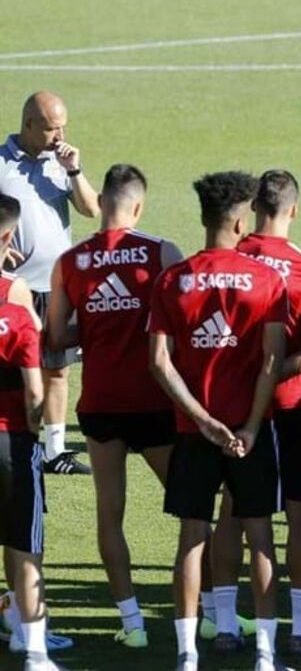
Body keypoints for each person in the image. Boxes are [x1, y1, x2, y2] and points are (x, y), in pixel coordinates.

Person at [147, 172, 287, 671]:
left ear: (204, 218)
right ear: (241, 221)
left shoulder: (172, 281)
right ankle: (266, 656)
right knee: (261, 537)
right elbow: (273, 360)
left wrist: (202, 419)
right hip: (251, 433)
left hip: (194, 433)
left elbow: (159, 362)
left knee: (192, 537)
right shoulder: (266, 280)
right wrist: (250, 425)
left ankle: (187, 655)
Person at [45, 164, 183, 649]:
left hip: (100, 405)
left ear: (101, 202)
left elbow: (56, 337)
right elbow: (185, 324)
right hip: (155, 402)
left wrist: (94, 327)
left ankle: (133, 624)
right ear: (137, 206)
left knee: (110, 514)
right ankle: (208, 614)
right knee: (191, 510)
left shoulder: (70, 262)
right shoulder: (162, 252)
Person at [236, 170, 301, 654]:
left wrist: (252, 376)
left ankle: (224, 624)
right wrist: (275, 373)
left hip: (237, 408)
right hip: (297, 405)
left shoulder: (231, 260)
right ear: (294, 209)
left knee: (236, 514)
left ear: (253, 207)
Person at [0, 91, 100, 476]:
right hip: (16, 289)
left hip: (58, 287)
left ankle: (55, 452)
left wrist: (73, 170)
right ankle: (20, 441)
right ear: (28, 125)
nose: (60, 136)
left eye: (63, 127)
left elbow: (91, 208)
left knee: (58, 369)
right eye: (51, 128)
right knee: (16, 370)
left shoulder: (61, 162)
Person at [0, 195, 54, 671]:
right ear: (8, 237)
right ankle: (33, 648)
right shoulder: (15, 307)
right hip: (12, 440)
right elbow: (36, 390)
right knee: (24, 542)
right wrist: (35, 431)